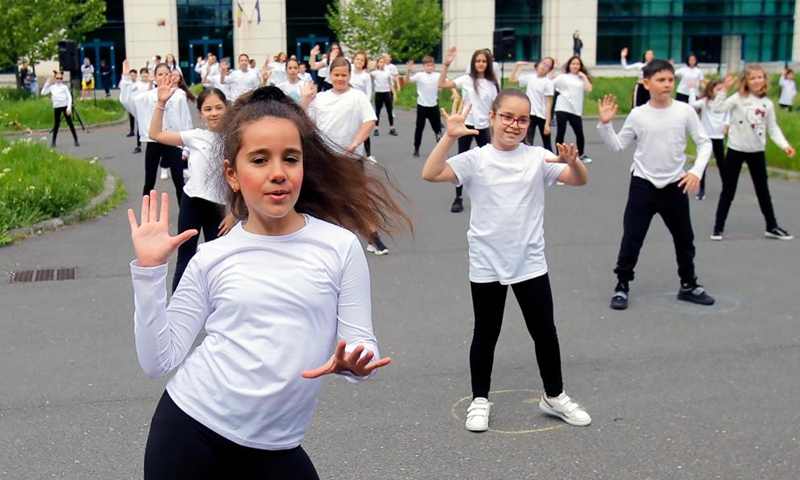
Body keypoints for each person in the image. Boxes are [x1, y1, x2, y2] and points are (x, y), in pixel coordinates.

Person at [128, 85, 411, 479]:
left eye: (290, 159)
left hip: (276, 447)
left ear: (303, 168)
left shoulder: (340, 247)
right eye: (259, 160)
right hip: (190, 431)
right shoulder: (214, 256)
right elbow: (158, 361)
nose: (278, 173)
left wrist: (355, 365)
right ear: (233, 174)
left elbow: (362, 344)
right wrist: (149, 273)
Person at [422, 91, 591, 432]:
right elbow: (430, 172)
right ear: (492, 117)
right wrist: (449, 137)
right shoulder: (477, 159)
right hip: (487, 261)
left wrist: (573, 162)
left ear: (530, 123)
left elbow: (578, 180)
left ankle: (554, 395)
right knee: (486, 332)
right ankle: (480, 399)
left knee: (544, 331)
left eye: (523, 119)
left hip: (529, 260)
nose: (515, 125)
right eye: (508, 117)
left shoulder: (538, 158)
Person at [596, 59, 715, 311]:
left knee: (685, 238)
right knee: (632, 237)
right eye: (661, 80)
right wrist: (606, 125)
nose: (667, 84)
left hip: (675, 184)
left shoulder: (684, 111)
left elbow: (705, 143)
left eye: (670, 80)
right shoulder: (638, 114)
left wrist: (695, 171)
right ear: (646, 83)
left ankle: (688, 284)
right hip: (643, 184)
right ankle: (622, 285)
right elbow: (617, 147)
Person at [148, 82, 235, 291]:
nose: (214, 113)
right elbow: (156, 134)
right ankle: (176, 308)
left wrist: (235, 214)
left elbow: (242, 180)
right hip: (192, 204)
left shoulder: (235, 141)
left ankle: (219, 308)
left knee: (220, 261)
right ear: (200, 113)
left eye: (218, 108)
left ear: (227, 109)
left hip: (220, 208)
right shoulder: (196, 136)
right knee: (185, 258)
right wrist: (161, 103)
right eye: (208, 109)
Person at [308, 57, 393, 256]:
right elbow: (308, 124)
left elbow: (369, 121)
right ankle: (328, 241)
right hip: (326, 158)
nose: (340, 79)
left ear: (349, 75)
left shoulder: (357, 97)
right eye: (336, 75)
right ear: (330, 76)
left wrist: (355, 143)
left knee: (359, 198)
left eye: (344, 75)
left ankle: (373, 236)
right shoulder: (320, 99)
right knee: (328, 200)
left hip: (351, 158)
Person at [709, 65, 796, 241]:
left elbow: (773, 128)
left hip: (757, 151)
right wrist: (724, 89)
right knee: (728, 190)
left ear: (764, 79)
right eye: (752, 78)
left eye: (760, 77)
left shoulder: (767, 104)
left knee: (763, 190)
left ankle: (771, 226)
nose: (757, 81)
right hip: (736, 149)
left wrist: (784, 145)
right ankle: (718, 228)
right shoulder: (737, 98)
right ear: (745, 81)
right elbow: (717, 108)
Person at [438, 46, 500, 213]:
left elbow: (495, 107)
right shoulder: (466, 79)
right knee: (461, 160)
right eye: (478, 61)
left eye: (483, 61)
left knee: (488, 161)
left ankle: (489, 196)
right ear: (473, 63)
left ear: (488, 64)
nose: (480, 64)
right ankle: (458, 197)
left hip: (484, 127)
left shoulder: (492, 84)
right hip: (465, 126)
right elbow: (442, 84)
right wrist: (446, 64)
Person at [122, 60, 193, 203]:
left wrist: (186, 149)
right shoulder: (147, 97)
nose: (164, 77)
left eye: (167, 74)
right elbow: (126, 101)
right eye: (160, 74)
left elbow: (186, 121)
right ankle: (146, 213)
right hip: (153, 142)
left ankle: (185, 217)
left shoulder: (179, 95)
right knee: (149, 181)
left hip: (173, 141)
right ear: (154, 76)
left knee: (179, 181)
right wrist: (126, 79)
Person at [690, 78, 729, 200]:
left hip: (718, 137)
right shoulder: (705, 102)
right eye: (718, 89)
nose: (721, 92)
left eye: (723, 89)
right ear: (711, 91)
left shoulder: (725, 103)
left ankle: (727, 187)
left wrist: (726, 125)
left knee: (721, 163)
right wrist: (692, 89)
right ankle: (701, 190)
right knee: (703, 163)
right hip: (706, 137)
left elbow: (728, 114)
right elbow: (692, 104)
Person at [405, 56, 449, 158]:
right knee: (419, 128)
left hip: (433, 105)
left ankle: (442, 150)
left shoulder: (437, 75)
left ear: (434, 66)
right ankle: (416, 148)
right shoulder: (420, 75)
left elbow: (446, 82)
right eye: (427, 65)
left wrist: (454, 92)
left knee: (437, 129)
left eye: (431, 65)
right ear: (424, 66)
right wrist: (408, 71)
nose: (429, 67)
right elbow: (407, 81)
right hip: (422, 105)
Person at [510, 58, 555, 151]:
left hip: (542, 115)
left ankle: (552, 162)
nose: (544, 66)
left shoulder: (548, 82)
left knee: (547, 142)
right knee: (527, 140)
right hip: (530, 114)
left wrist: (547, 123)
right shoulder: (530, 77)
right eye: (543, 63)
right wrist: (517, 66)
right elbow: (512, 79)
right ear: (538, 64)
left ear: (549, 70)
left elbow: (548, 103)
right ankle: (525, 160)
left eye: (547, 66)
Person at [554, 56, 593, 163]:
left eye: (577, 64)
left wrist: (584, 76)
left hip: (575, 109)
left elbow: (589, 89)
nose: (575, 66)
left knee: (579, 133)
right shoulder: (563, 77)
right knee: (561, 131)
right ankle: (559, 154)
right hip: (562, 106)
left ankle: (581, 154)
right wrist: (554, 69)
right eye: (573, 64)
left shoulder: (581, 78)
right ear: (569, 65)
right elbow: (551, 82)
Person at [41, 71, 79, 148]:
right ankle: (53, 141)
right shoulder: (52, 87)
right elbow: (43, 93)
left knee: (70, 123)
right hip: (57, 107)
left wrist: (68, 108)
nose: (59, 80)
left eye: (60, 78)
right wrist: (47, 83)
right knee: (56, 124)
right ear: (55, 79)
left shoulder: (64, 87)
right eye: (57, 78)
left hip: (64, 106)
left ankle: (76, 139)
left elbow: (69, 97)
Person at [349, 52, 374, 158]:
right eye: (357, 59)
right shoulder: (349, 73)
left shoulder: (366, 76)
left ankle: (368, 154)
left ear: (364, 63)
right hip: (349, 104)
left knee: (363, 129)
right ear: (354, 60)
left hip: (361, 105)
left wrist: (365, 104)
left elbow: (369, 91)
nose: (359, 61)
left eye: (362, 60)